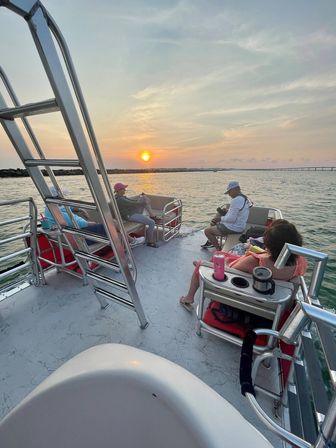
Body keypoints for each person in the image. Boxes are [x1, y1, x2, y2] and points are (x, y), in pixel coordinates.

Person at [180, 221, 307, 311]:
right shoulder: (300, 261)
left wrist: (211, 265)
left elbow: (231, 273)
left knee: (207, 262)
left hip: (246, 295)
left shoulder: (256, 262)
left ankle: (189, 298)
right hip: (273, 302)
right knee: (225, 253)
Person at [44, 188, 144, 247]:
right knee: (113, 224)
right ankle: (131, 242)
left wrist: (80, 209)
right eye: (61, 196)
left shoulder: (56, 206)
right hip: (82, 235)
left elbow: (70, 208)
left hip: (83, 230)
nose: (63, 198)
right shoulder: (55, 210)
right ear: (57, 197)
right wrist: (93, 223)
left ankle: (129, 243)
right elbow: (73, 223)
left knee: (114, 227)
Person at [201, 181, 252, 250]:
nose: (229, 194)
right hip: (240, 225)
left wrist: (220, 219)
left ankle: (218, 249)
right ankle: (211, 241)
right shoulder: (244, 198)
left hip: (235, 228)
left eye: (229, 192)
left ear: (235, 189)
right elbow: (239, 213)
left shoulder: (236, 200)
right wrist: (228, 211)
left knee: (207, 231)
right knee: (217, 217)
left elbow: (231, 219)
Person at [114, 182, 158, 248]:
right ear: (119, 190)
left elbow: (133, 203)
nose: (125, 190)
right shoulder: (120, 199)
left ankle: (152, 215)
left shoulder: (120, 197)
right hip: (130, 215)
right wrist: (145, 201)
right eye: (123, 189)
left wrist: (143, 198)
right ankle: (150, 241)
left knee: (143, 198)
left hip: (132, 212)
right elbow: (134, 203)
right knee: (152, 222)